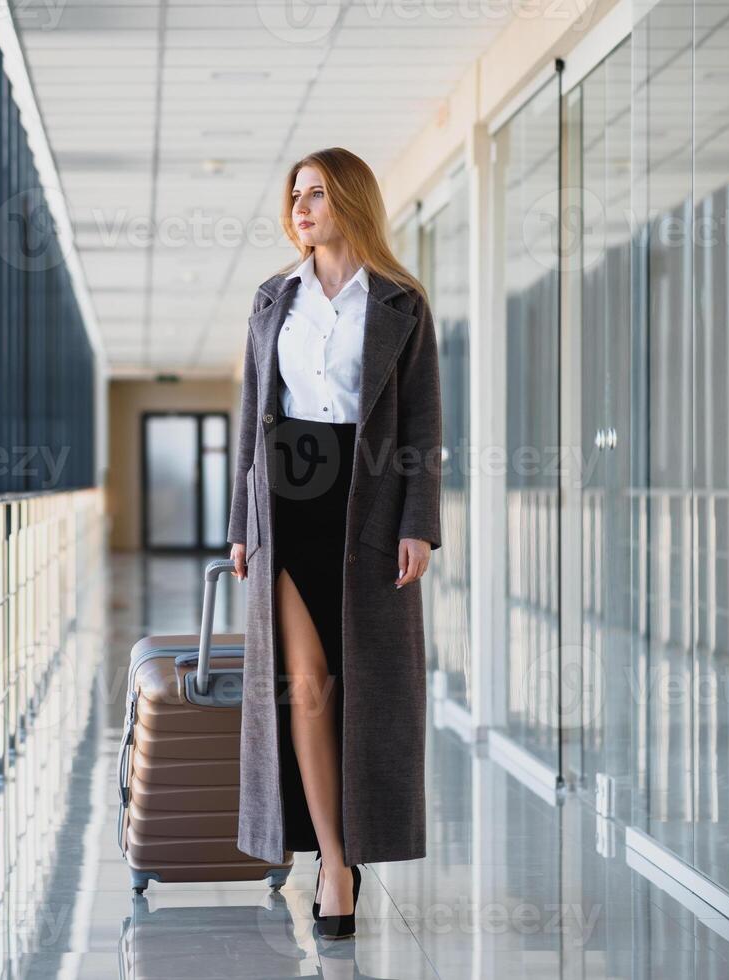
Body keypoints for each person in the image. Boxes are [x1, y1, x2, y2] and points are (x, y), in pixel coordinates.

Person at [226, 146, 443, 942]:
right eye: (294, 196)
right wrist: (242, 525)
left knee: (368, 686)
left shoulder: (400, 305)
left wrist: (420, 521)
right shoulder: (270, 297)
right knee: (307, 686)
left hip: (370, 499)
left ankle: (349, 846)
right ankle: (335, 863)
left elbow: (421, 424)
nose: (301, 208)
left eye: (315, 194)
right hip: (286, 499)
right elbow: (252, 416)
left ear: (350, 200)